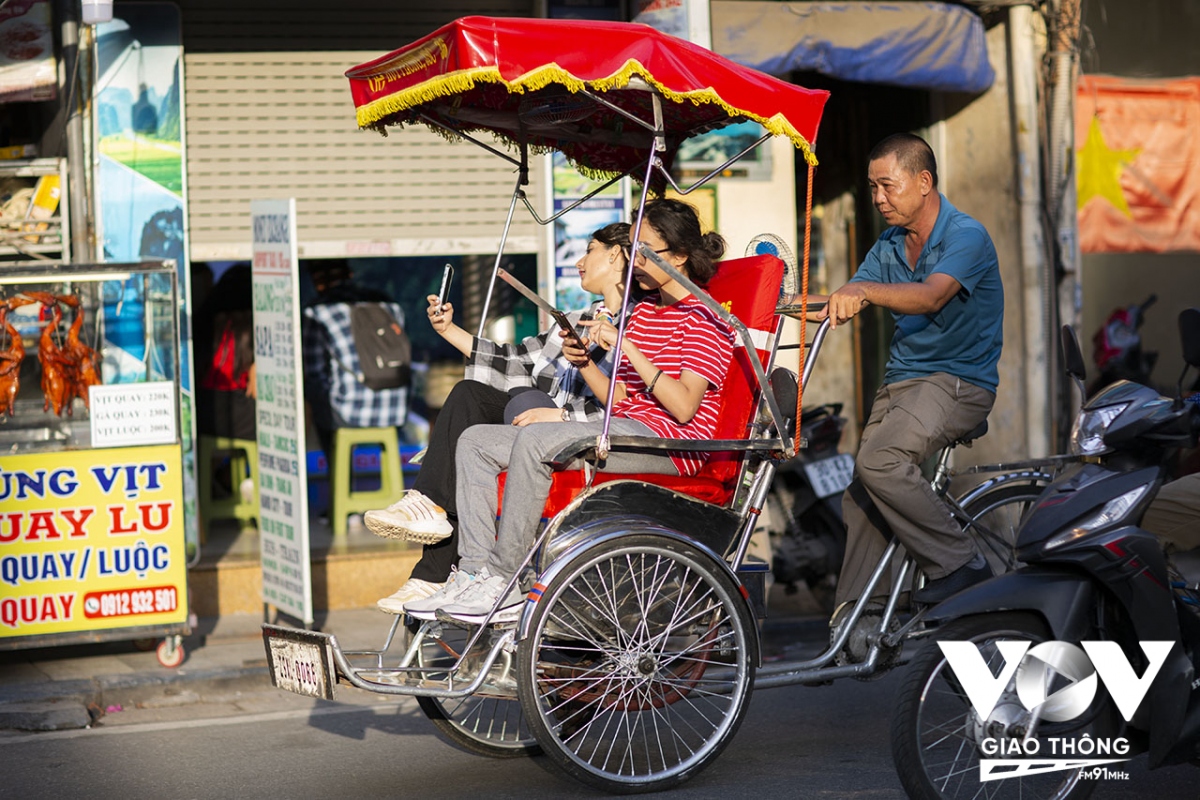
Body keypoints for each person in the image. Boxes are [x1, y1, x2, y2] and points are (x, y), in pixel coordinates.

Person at [403, 198, 736, 624]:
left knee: (536, 438)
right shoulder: (649, 312)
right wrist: (585, 363)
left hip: (671, 445)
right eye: (633, 249)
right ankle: (473, 573)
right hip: (625, 424)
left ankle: (506, 580)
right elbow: (619, 399)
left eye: (645, 250)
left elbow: (685, 407)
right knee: (476, 442)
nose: (635, 261)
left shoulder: (703, 318)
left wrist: (628, 349)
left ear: (680, 256)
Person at [365, 223, 634, 613]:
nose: (578, 261)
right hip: (536, 419)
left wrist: (559, 414)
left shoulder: (637, 325)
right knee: (468, 396)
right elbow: (512, 362)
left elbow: (628, 405)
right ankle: (430, 512)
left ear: (614, 255)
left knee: (477, 428)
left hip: (585, 434)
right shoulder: (578, 319)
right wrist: (448, 329)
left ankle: (432, 569)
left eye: (589, 250)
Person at [811, 133, 1004, 610]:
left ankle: (961, 563)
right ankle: (863, 617)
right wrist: (763, 306)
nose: (878, 198)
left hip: (956, 381)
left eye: (887, 186)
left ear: (923, 181)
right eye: (872, 187)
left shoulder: (966, 235)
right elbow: (841, 299)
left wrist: (867, 292)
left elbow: (930, 296)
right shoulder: (890, 244)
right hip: (903, 382)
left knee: (881, 462)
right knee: (861, 493)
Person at [301, 260, 408, 485]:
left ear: (315, 281)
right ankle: (392, 490)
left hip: (350, 412)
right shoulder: (389, 305)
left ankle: (341, 493)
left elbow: (314, 373)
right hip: (395, 410)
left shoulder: (316, 312)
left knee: (320, 407)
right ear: (349, 274)